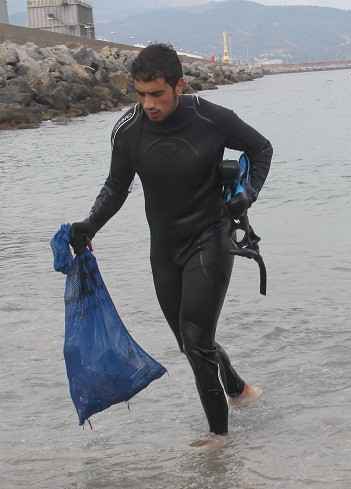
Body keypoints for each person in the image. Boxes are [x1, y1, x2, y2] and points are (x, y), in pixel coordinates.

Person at [68, 43, 272, 436]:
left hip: (210, 238)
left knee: (196, 341)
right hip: (164, 249)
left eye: (157, 93)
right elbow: (115, 186)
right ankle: (239, 390)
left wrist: (249, 190)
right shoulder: (129, 132)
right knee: (190, 343)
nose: (148, 103)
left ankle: (219, 446)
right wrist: (89, 225)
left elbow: (260, 148)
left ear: (179, 86)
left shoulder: (211, 118)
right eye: (140, 93)